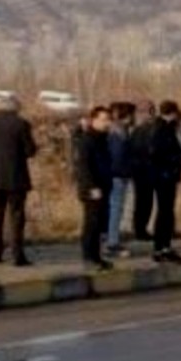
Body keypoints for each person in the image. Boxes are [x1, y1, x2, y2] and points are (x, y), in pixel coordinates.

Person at [0, 94, 37, 266]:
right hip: (16, 177)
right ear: (16, 108)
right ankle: (17, 255)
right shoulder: (21, 124)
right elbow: (29, 151)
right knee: (17, 216)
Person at [76, 106, 115, 271]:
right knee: (91, 223)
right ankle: (88, 257)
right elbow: (83, 166)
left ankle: (96, 256)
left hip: (104, 185)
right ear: (94, 120)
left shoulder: (103, 138)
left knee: (99, 224)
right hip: (92, 188)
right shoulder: (87, 139)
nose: (106, 123)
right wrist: (91, 186)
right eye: (103, 120)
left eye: (108, 120)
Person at [150, 101, 181, 263]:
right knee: (165, 212)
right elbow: (158, 153)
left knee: (166, 211)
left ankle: (164, 245)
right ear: (172, 113)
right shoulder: (162, 129)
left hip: (166, 175)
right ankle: (161, 247)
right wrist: (176, 160)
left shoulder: (164, 128)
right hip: (164, 176)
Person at [105, 102, 136, 259]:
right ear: (128, 116)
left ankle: (113, 238)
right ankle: (112, 242)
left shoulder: (119, 131)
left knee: (116, 209)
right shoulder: (118, 133)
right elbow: (118, 157)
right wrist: (125, 172)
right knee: (116, 209)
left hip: (118, 175)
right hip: (118, 176)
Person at [129, 101, 157, 242]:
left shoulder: (136, 130)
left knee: (143, 201)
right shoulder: (147, 130)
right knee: (144, 201)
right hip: (145, 170)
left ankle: (140, 228)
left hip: (140, 170)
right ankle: (140, 229)